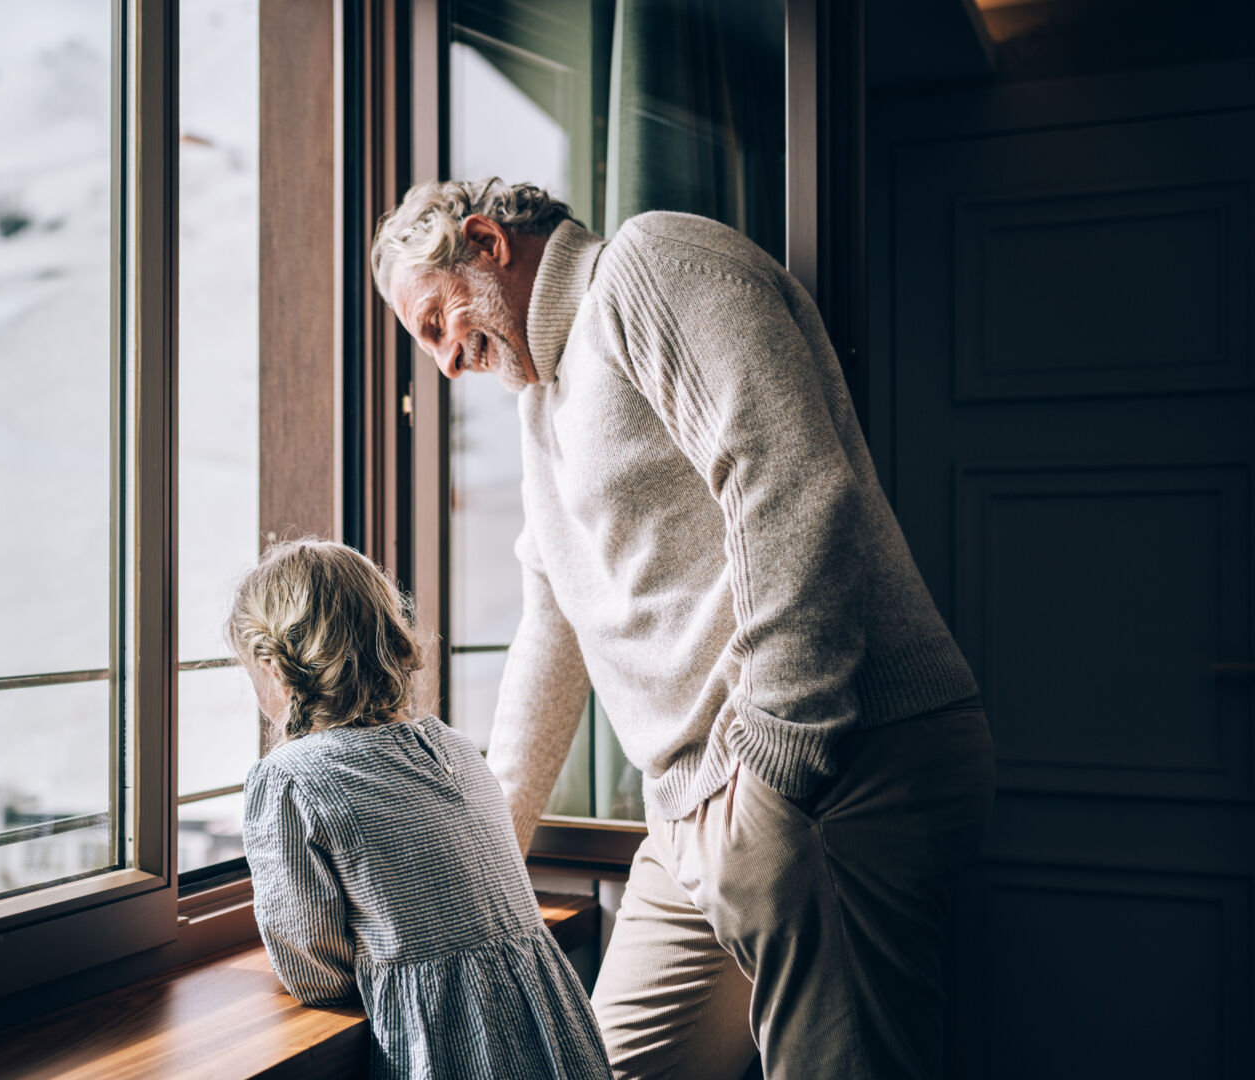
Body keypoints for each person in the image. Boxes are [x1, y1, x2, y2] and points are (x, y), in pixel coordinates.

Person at [367, 178, 996, 1080]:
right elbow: (552, 633)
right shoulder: (540, 411)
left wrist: (781, 760)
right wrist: (490, 854)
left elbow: (788, 478)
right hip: (703, 807)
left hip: (832, 768)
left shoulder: (646, 266)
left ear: (486, 243)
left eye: (435, 325)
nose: (446, 363)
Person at [231, 539, 607, 1080]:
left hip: (448, 1042)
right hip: (555, 1030)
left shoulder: (290, 777)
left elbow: (313, 966)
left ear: (274, 669)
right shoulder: (452, 745)